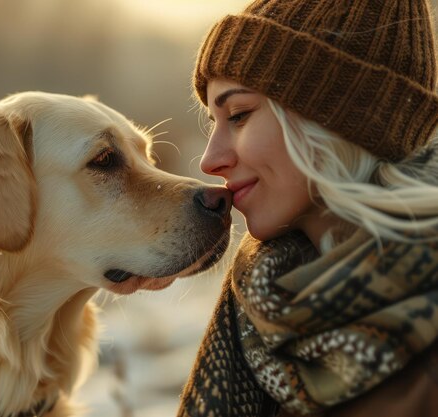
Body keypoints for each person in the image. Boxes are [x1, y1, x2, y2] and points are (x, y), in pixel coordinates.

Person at [177, 0, 438, 416]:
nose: (210, 160)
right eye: (214, 122)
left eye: (239, 115)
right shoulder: (259, 300)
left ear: (339, 117)